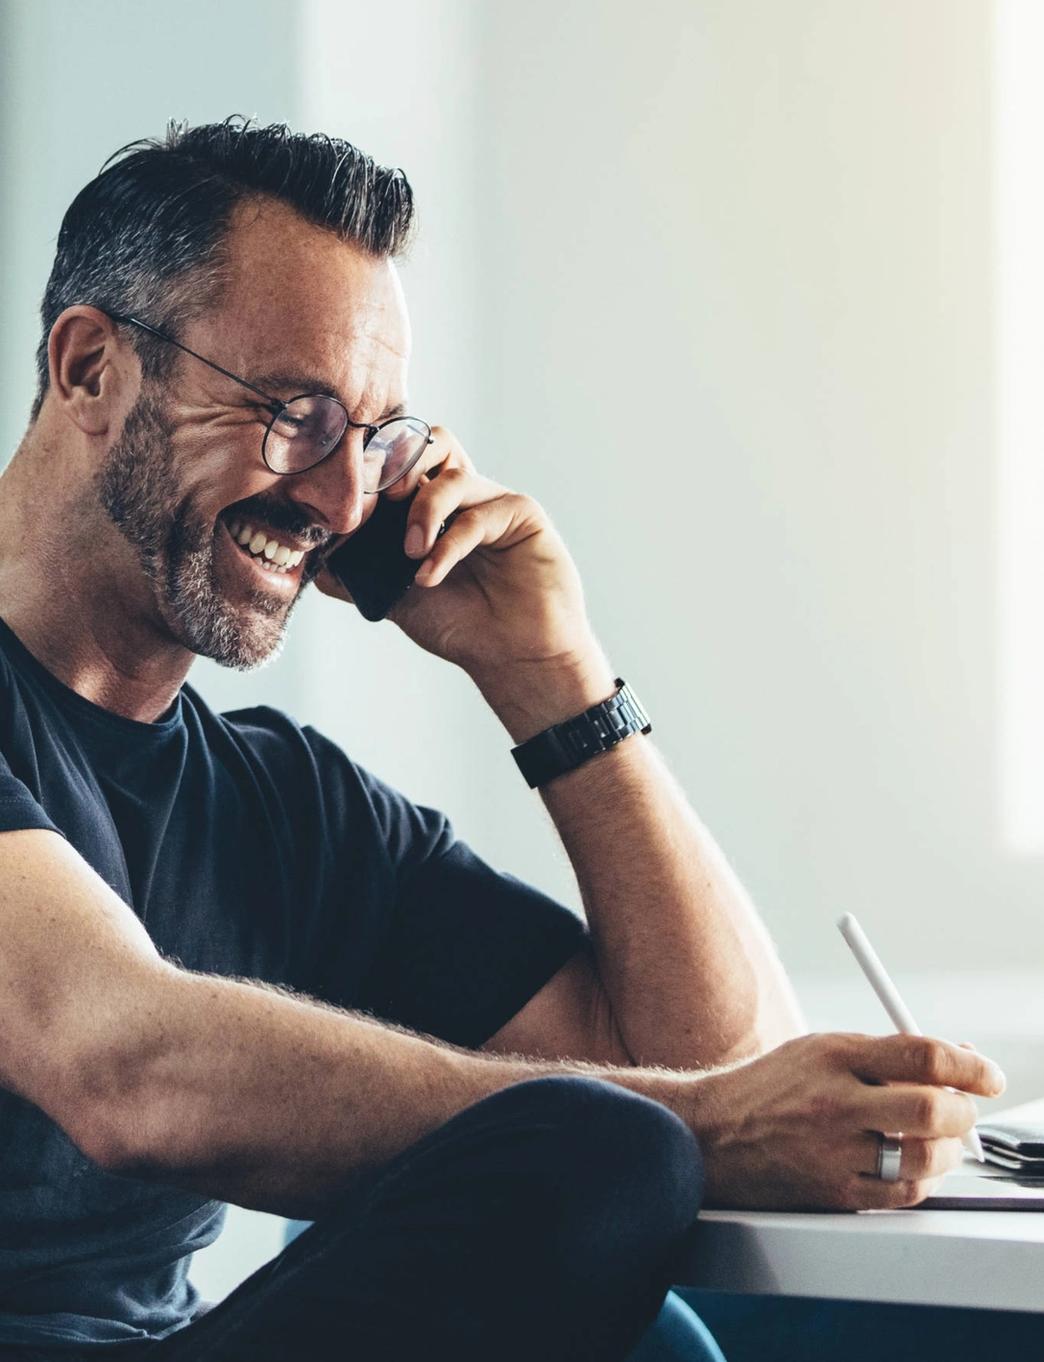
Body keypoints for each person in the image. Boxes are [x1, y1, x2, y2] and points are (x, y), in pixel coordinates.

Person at [0, 117, 1003, 1362]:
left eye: (370, 438)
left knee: (646, 1271)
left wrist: (556, 682)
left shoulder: (289, 809)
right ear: (91, 368)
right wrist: (696, 1127)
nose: (342, 498)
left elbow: (723, 1067)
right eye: (293, 414)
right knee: (613, 1150)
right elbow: (124, 1063)